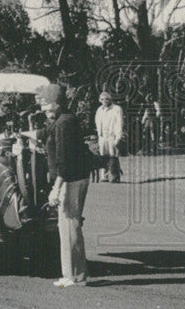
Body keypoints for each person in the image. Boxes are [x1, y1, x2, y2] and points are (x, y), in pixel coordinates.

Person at [36, 83, 90, 288]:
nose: (43, 110)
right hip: (75, 178)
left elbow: (64, 161)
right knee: (69, 225)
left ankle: (74, 276)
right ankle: (74, 274)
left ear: (57, 103)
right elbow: (47, 136)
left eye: (46, 105)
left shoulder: (63, 124)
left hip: (70, 181)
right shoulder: (64, 120)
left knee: (69, 226)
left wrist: (55, 188)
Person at [95, 91, 124, 182]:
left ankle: (115, 176)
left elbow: (119, 123)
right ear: (100, 100)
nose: (105, 101)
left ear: (110, 99)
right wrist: (99, 133)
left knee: (113, 156)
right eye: (102, 99)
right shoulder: (99, 110)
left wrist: (118, 137)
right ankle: (104, 175)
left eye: (107, 99)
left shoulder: (117, 109)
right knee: (103, 155)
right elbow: (97, 121)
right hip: (103, 136)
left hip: (112, 136)